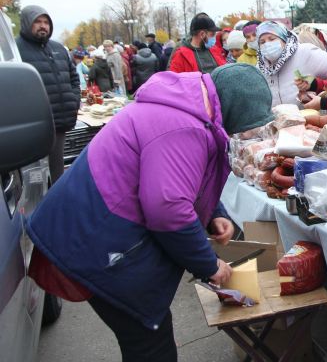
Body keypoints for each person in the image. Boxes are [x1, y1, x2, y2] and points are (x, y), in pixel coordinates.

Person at [26, 64, 274, 362]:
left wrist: (212, 213)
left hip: (94, 229)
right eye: (248, 124)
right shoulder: (185, 126)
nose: (245, 132)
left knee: (148, 340)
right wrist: (210, 265)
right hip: (96, 238)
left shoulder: (188, 108)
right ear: (234, 107)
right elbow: (167, 209)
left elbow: (180, 179)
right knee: (150, 346)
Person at [15, 5, 80, 183]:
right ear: (27, 23)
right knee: (34, 176)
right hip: (33, 125)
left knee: (57, 168)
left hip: (59, 121)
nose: (43, 26)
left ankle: (58, 203)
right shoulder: (16, 50)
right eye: (38, 21)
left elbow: (74, 78)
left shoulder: (58, 48)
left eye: (46, 22)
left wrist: (74, 101)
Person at [256, 21, 327, 106]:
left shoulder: (305, 53)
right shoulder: (260, 68)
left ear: (284, 39)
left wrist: (316, 85)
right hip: (278, 118)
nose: (267, 44)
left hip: (310, 116)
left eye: (272, 39)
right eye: (262, 42)